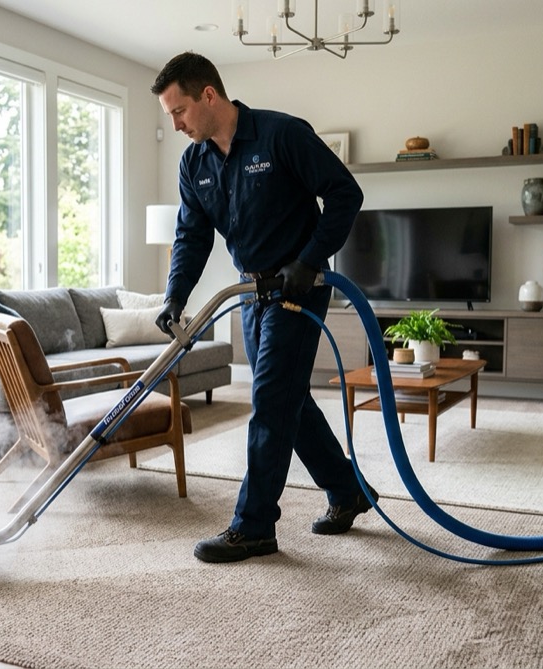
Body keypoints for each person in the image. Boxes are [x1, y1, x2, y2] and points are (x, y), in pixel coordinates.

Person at [150, 51, 377, 563]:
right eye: (170, 116)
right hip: (250, 295)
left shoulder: (280, 135)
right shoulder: (195, 162)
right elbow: (191, 234)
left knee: (271, 402)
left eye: (179, 110)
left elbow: (345, 193)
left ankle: (253, 526)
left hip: (297, 289)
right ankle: (348, 490)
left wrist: (310, 259)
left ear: (209, 95)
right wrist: (175, 295)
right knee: (289, 400)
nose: (176, 123)